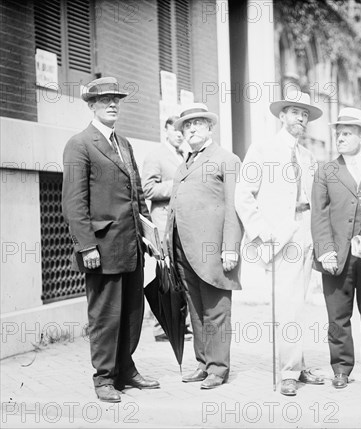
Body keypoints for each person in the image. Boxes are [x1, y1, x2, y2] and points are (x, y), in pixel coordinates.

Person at [62, 77, 159, 403]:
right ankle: (104, 378)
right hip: (101, 249)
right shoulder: (80, 144)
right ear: (91, 105)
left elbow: (137, 196)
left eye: (116, 99)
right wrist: (86, 245)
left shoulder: (125, 144)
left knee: (132, 311)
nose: (113, 104)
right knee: (105, 315)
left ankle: (126, 369)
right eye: (105, 100)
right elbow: (74, 202)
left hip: (131, 247)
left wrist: (149, 234)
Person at [235, 90, 325, 396]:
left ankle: (297, 363)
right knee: (286, 305)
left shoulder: (308, 157)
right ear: (282, 115)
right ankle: (288, 371)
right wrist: (262, 232)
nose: (300, 118)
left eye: (305, 114)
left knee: (299, 305)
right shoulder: (262, 149)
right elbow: (243, 194)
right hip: (279, 237)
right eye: (295, 112)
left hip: (306, 234)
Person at [311, 107, 361, 389]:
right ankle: (342, 368)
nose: (341, 137)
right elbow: (319, 214)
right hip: (337, 255)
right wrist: (326, 251)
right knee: (338, 316)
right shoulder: (325, 171)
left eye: (347, 133)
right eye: (338, 133)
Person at [163, 103, 243, 389]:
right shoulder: (185, 163)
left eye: (198, 123)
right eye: (187, 125)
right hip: (183, 249)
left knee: (216, 310)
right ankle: (203, 363)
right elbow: (174, 208)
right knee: (196, 311)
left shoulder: (227, 159)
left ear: (210, 127)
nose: (192, 129)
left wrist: (230, 247)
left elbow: (236, 207)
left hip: (213, 251)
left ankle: (218, 369)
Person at [142, 115, 191, 342]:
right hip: (163, 224)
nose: (180, 134)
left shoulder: (185, 155)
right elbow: (148, 190)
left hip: (182, 223)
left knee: (181, 274)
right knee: (164, 274)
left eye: (182, 130)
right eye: (175, 130)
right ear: (166, 131)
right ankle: (161, 327)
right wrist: (177, 185)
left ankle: (181, 324)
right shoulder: (156, 155)